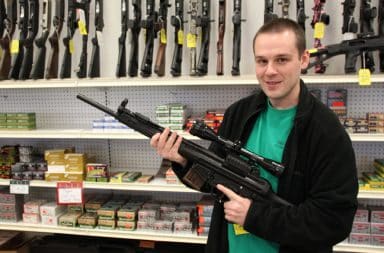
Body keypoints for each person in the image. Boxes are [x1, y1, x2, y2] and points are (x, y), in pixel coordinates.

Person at [150, 18, 358, 253]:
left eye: (281, 59)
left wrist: (253, 216)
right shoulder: (239, 113)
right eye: (262, 61)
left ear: (303, 60)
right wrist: (182, 161)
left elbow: (334, 222)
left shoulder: (327, 132)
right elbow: (212, 183)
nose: (270, 71)